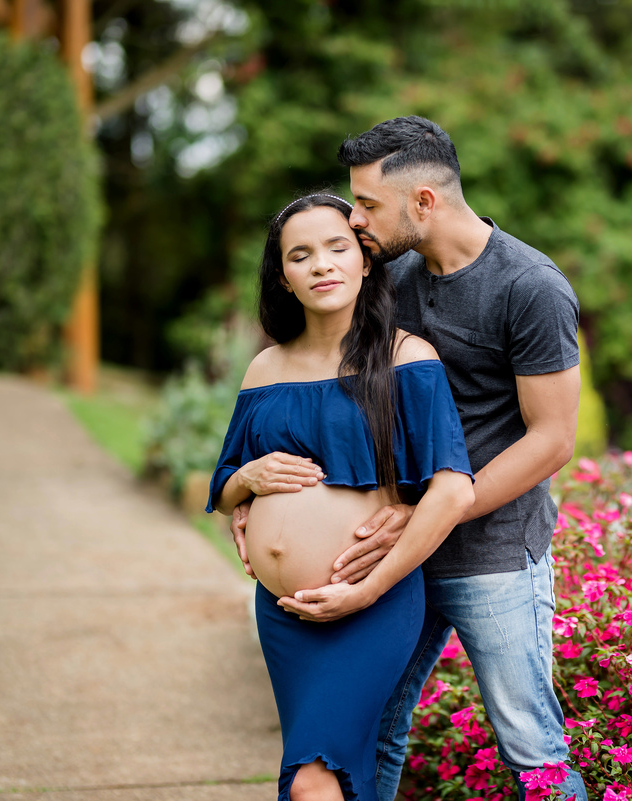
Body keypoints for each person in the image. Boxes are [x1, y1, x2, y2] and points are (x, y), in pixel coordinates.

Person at [230, 117, 588, 801]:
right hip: (395, 561)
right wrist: (255, 490)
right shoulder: (391, 276)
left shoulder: (529, 286)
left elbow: (552, 441)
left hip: (492, 552)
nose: (355, 221)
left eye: (366, 205)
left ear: (421, 201)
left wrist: (431, 509)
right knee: (375, 731)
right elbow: (322, 381)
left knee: (529, 744)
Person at [206, 192, 475, 801]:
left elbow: (452, 490)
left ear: (365, 262)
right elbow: (221, 489)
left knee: (313, 782)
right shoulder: (265, 370)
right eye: (301, 255)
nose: (322, 264)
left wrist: (366, 590)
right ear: (284, 276)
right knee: (335, 781)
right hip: (284, 615)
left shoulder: (407, 358)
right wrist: (248, 480)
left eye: (337, 247)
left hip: (370, 604)